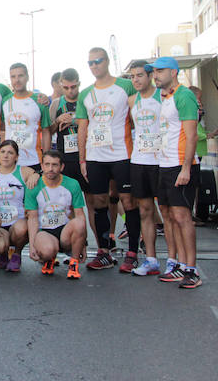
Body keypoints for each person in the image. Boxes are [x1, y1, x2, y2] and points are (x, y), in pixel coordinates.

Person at [76, 47, 138, 272]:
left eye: (98, 61)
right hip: (95, 156)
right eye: (90, 62)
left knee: (128, 202)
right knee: (99, 203)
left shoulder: (125, 86)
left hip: (122, 154)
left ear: (107, 61)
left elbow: (137, 116)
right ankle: (104, 252)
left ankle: (132, 252)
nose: (94, 66)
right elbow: (83, 128)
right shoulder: (86, 94)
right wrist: (83, 160)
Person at [151, 56, 202, 289]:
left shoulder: (184, 95)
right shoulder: (166, 98)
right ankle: (178, 264)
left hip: (180, 165)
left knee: (183, 217)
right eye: (154, 71)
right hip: (165, 164)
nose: (155, 75)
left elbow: (192, 135)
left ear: (173, 72)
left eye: (160, 71)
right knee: (169, 216)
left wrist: (186, 167)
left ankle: (192, 269)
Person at [126, 60, 163, 276]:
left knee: (168, 214)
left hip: (162, 161)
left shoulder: (163, 97)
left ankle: (175, 261)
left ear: (150, 76)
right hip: (139, 161)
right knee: (145, 211)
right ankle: (151, 259)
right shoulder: (133, 101)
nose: (136, 80)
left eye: (140, 75)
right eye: (132, 76)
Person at [26, 150, 87, 279]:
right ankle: (49, 259)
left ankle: (73, 264)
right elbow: (32, 218)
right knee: (47, 250)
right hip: (45, 232)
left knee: (79, 222)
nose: (50, 169)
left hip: (65, 231)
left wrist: (83, 244)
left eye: (54, 165)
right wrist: (32, 246)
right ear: (41, 166)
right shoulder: (34, 185)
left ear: (62, 167)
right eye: (47, 165)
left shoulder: (73, 184)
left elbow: (80, 215)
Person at [0, 140, 39, 273]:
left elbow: (40, 174)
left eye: (10, 153)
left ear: (16, 156)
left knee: (21, 229)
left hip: (18, 221)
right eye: (2, 152)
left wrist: (36, 175)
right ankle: (2, 252)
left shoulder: (24, 171)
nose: (6, 156)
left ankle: (16, 254)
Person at [1, 63, 51, 171]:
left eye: (20, 76)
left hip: (33, 160)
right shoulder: (5, 101)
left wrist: (46, 160)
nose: (17, 80)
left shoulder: (39, 101)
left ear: (27, 77)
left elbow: (46, 132)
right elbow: (3, 130)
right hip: (10, 162)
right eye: (13, 77)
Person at [50, 68, 87, 198]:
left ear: (79, 84)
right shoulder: (56, 103)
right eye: (66, 88)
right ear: (61, 85)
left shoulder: (86, 100)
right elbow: (49, 131)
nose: (70, 91)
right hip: (65, 157)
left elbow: (94, 124)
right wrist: (57, 120)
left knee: (93, 199)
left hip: (86, 155)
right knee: (67, 199)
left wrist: (74, 121)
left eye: (73, 87)